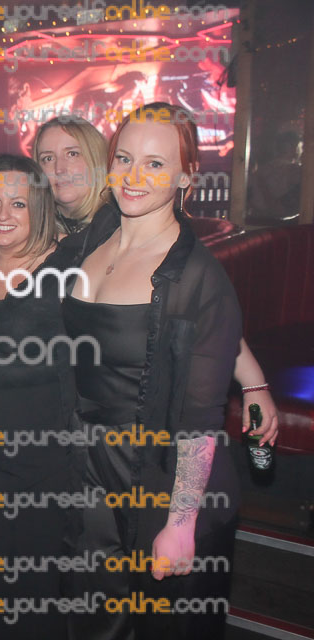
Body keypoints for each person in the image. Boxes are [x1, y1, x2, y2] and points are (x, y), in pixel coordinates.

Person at [60, 103, 242, 638]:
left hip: (158, 475)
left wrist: (181, 523)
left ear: (186, 176)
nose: (133, 176)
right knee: (90, 616)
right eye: (124, 158)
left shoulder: (198, 278)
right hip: (86, 464)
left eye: (155, 164)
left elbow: (201, 419)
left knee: (160, 626)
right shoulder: (94, 238)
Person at [34, 115, 280, 447]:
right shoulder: (45, 228)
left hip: (140, 443)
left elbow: (205, 318)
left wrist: (254, 383)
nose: (60, 167)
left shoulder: (126, 215)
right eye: (47, 158)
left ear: (98, 159)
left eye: (72, 153)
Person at [0, 154, 76, 638]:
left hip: (42, 461)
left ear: (40, 208)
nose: (3, 214)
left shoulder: (67, 266)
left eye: (18, 204)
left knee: (36, 592)